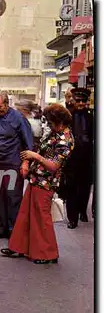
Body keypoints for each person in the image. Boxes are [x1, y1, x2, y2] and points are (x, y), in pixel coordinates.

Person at [0, 103, 74, 264]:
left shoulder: (66, 140)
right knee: (25, 214)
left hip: (47, 182)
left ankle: (48, 253)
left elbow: (54, 165)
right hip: (36, 179)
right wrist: (27, 162)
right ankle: (19, 247)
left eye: (49, 120)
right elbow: (39, 148)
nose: (47, 123)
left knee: (42, 218)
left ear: (58, 121)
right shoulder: (54, 133)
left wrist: (35, 157)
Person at [0, 91, 34, 239]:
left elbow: (28, 142)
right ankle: (2, 228)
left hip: (13, 163)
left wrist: (26, 162)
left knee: (13, 197)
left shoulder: (19, 118)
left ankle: (14, 230)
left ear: (6, 104)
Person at [64, 88, 94, 229]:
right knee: (71, 188)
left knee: (85, 187)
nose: (81, 103)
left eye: (83, 101)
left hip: (87, 157)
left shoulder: (92, 116)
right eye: (78, 101)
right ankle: (72, 218)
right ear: (73, 100)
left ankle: (82, 210)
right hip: (71, 157)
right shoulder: (68, 115)